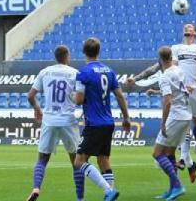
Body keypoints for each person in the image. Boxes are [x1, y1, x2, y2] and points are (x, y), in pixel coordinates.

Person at [126, 23, 196, 182]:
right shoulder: (176, 51)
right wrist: (138, 80)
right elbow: (161, 72)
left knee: (193, 125)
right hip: (183, 96)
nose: (187, 28)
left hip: (190, 94)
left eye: (190, 27)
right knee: (177, 141)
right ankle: (187, 165)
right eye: (185, 27)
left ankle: (194, 153)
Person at [72, 37, 130, 201]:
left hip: (94, 123)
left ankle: (108, 191)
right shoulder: (108, 71)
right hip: (108, 122)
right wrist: (126, 117)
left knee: (79, 161)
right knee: (103, 159)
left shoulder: (83, 73)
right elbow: (119, 96)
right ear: (98, 52)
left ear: (84, 52)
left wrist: (71, 96)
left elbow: (79, 100)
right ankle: (111, 192)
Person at [25, 45, 79, 201]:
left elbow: (30, 96)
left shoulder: (45, 71)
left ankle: (36, 188)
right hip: (67, 120)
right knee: (76, 161)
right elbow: (82, 96)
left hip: (49, 119)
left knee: (42, 159)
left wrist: (37, 108)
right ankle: (79, 197)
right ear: (67, 56)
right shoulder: (74, 73)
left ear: (56, 57)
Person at [151, 46, 191, 201]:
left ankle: (178, 185)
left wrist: (163, 123)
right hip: (185, 115)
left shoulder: (164, 76)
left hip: (175, 116)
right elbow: (181, 91)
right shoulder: (179, 70)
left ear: (160, 59)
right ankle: (172, 189)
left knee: (157, 154)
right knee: (169, 154)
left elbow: (167, 102)